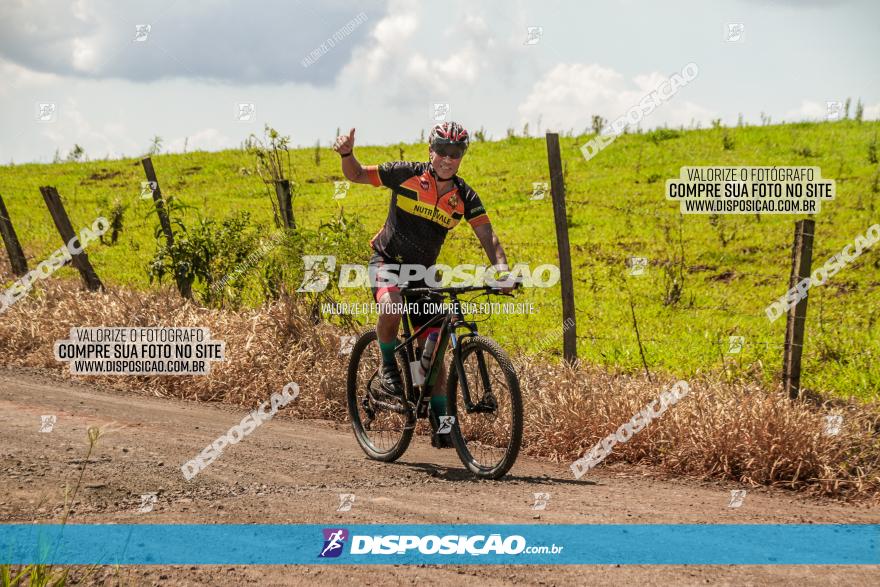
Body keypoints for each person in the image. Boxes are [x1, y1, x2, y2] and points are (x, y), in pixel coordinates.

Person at [333, 121, 512, 447]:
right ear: (430, 150)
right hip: (386, 262)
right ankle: (388, 368)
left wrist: (502, 270)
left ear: (461, 157)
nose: (447, 158)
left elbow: (488, 234)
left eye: (455, 153)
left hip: (423, 274)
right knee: (392, 305)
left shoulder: (464, 195)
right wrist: (347, 153)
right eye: (442, 150)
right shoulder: (406, 173)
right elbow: (357, 174)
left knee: (433, 347)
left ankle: (441, 421)